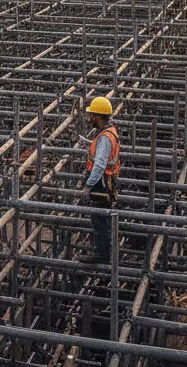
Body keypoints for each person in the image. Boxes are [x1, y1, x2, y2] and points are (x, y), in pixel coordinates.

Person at [83, 96, 122, 263]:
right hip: (107, 181)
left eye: (92, 114)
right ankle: (103, 252)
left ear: (99, 116)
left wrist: (88, 185)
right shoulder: (109, 132)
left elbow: (99, 165)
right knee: (101, 217)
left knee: (100, 218)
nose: (90, 117)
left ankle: (103, 255)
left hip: (101, 183)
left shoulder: (105, 138)